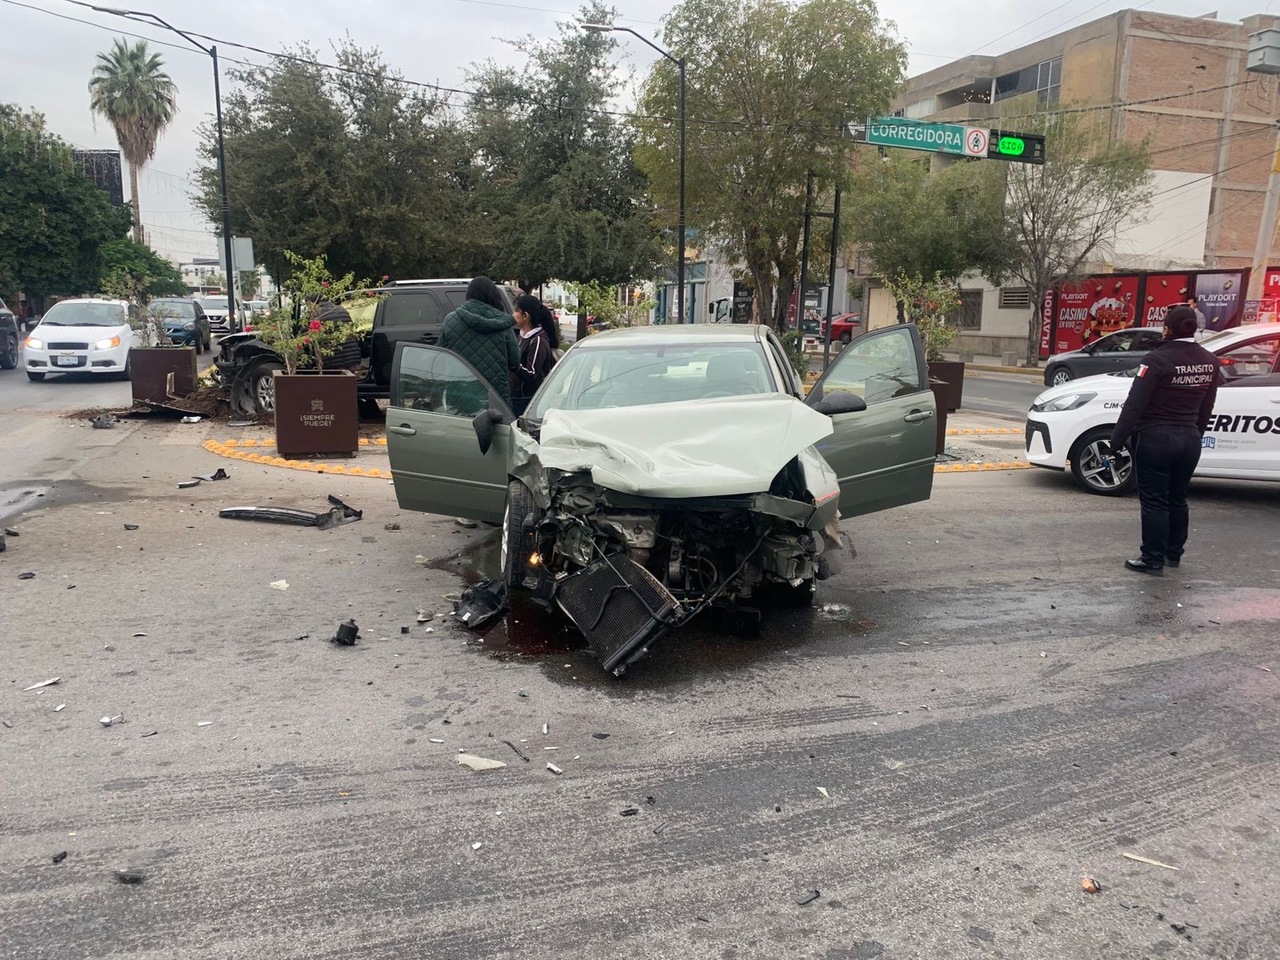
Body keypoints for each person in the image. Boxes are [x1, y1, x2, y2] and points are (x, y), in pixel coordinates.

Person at [1108, 306, 1219, 576]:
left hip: (1156, 438)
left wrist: (1117, 441)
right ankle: (1174, 553)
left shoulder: (1156, 360)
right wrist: (1196, 433)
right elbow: (1207, 405)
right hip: (1189, 439)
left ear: (1167, 329)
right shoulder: (1210, 361)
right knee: (1177, 498)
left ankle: (1152, 559)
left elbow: (1134, 404)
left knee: (1154, 501)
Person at [439, 276, 519, 414]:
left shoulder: (450, 320)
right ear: (494, 295)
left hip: (459, 394)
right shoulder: (503, 323)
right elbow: (515, 360)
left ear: (469, 294)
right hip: (495, 397)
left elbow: (441, 355)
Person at [509, 294, 559, 416]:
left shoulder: (538, 341)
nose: (513, 314)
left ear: (525, 316)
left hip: (526, 401)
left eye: (516, 310)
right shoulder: (521, 335)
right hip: (515, 398)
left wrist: (515, 366)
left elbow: (532, 374)